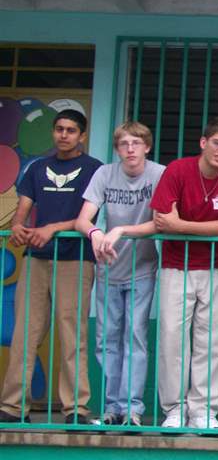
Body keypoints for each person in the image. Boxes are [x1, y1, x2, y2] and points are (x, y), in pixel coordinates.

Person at [0, 109, 101, 424]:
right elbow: (23, 207)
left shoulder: (94, 169)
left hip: (75, 258)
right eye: (59, 129)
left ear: (82, 135)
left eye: (71, 130)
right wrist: (18, 226)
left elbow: (87, 217)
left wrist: (52, 229)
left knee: (73, 336)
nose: (63, 135)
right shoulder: (37, 167)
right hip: (36, 259)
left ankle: (75, 408)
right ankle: (13, 407)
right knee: (24, 334)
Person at [150, 116, 218, 430]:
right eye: (217, 143)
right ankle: (174, 409)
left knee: (213, 343)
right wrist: (185, 227)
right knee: (172, 340)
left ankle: (204, 410)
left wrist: (180, 225)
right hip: (176, 266)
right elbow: (162, 219)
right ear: (203, 142)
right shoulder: (178, 169)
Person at [73, 121, 165, 427]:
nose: (130, 149)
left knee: (135, 336)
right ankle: (112, 408)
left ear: (147, 147)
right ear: (117, 149)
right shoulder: (104, 174)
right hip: (108, 267)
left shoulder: (159, 174)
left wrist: (121, 230)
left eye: (136, 143)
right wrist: (96, 233)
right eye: (124, 144)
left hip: (142, 267)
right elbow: (83, 219)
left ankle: (132, 408)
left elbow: (160, 222)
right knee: (106, 340)